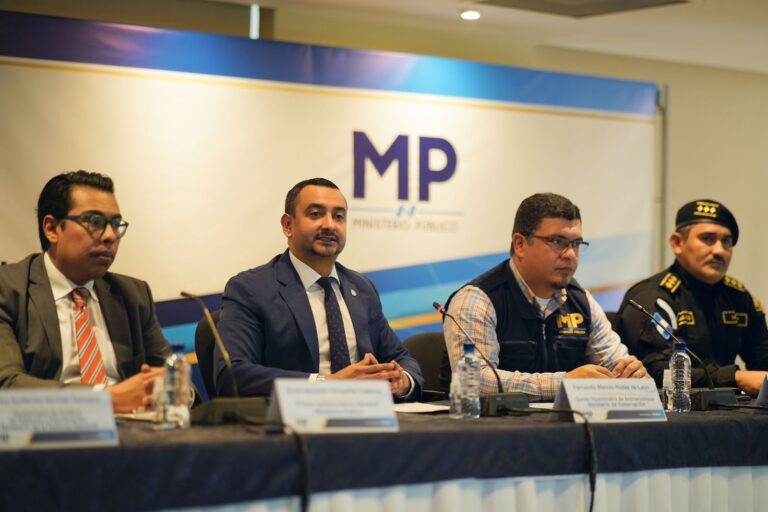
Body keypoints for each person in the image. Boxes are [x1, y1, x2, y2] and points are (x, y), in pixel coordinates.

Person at [214, 178, 423, 399]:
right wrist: (329, 384)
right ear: (287, 225)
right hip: (293, 417)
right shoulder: (251, 289)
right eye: (316, 214)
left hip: (366, 414)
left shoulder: (362, 288)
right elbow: (232, 373)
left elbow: (402, 358)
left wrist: (401, 381)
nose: (329, 225)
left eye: (338, 216)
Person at [442, 192, 647, 401]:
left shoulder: (581, 301)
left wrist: (631, 374)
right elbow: (475, 381)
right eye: (557, 241)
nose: (570, 254)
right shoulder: (477, 300)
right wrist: (565, 383)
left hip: (564, 420)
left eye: (576, 244)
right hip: (486, 422)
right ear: (520, 244)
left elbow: (616, 365)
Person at [0, 171, 169, 412]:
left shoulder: (134, 295)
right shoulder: (8, 289)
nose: (110, 236)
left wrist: (172, 389)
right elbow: (7, 386)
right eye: (94, 222)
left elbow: (172, 377)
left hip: (135, 427)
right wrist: (105, 399)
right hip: (48, 427)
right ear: (52, 229)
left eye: (115, 224)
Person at [617, 199, 768, 395]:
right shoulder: (653, 298)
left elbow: (762, 362)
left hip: (730, 409)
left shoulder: (739, 298)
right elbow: (658, 373)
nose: (719, 251)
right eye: (708, 239)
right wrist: (735, 378)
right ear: (677, 243)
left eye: (726, 241)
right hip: (669, 410)